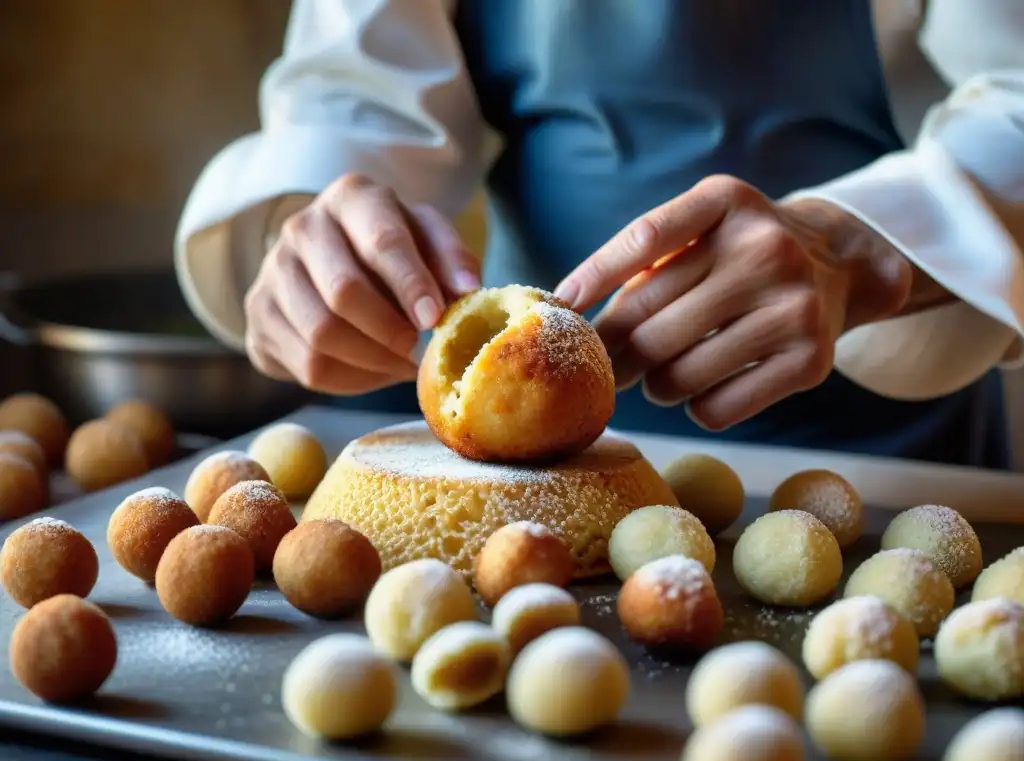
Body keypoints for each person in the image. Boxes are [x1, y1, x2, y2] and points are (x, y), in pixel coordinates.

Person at [175, 0, 1024, 469]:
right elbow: (355, 96)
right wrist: (311, 233)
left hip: (883, 456)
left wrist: (859, 250)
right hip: (531, 477)